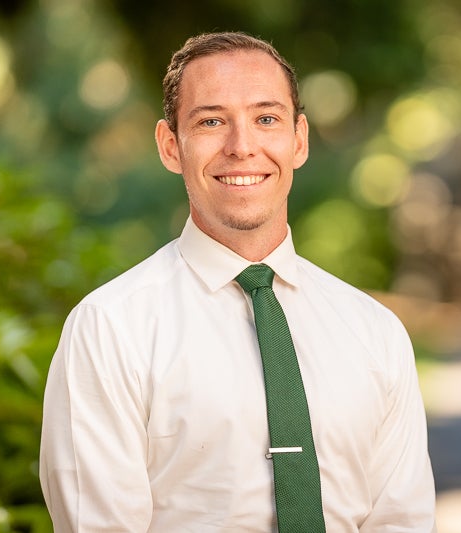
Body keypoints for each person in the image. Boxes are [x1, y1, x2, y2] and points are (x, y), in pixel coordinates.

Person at [39, 31, 436, 532]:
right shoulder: (109, 330)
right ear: (169, 146)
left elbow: (401, 522)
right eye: (211, 122)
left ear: (299, 140)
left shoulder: (376, 332)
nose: (242, 147)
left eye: (266, 119)